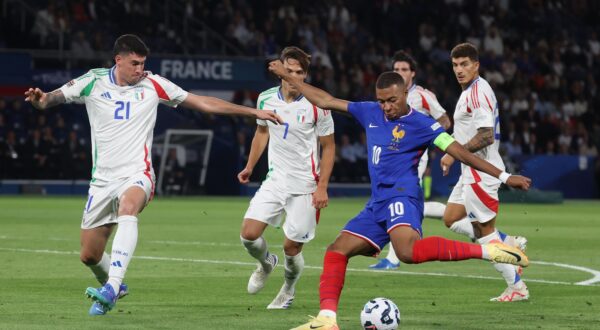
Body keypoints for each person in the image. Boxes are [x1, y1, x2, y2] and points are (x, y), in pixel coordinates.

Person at [24, 34, 281, 316]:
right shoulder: (93, 81)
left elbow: (202, 102)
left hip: (138, 173)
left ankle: (112, 286)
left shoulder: (153, 83)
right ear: (118, 60)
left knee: (128, 208)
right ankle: (115, 285)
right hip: (102, 181)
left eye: (143, 63)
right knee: (89, 255)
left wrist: (251, 112)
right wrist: (40, 100)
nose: (139, 69)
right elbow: (51, 99)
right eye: (134, 63)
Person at [268, 61, 531, 330]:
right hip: (377, 202)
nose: (386, 107)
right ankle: (327, 319)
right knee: (337, 251)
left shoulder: (423, 125)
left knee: (406, 251)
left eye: (392, 100)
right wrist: (288, 77)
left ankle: (488, 250)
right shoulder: (369, 112)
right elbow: (326, 100)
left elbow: (460, 153)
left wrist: (504, 176)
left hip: (403, 197)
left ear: (405, 94)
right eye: (382, 101)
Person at [238, 46, 335, 310]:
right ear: (281, 72)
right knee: (248, 235)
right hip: (275, 180)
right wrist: (249, 166)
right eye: (288, 71)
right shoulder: (266, 99)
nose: (293, 77)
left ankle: (288, 289)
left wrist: (322, 187)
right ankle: (265, 263)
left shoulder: (317, 105)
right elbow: (261, 132)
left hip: (305, 186)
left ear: (306, 75)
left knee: (292, 248)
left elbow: (328, 147)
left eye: (299, 72)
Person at [441, 43, 529, 302]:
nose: (459, 69)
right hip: (470, 169)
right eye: (455, 65)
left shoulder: (477, 93)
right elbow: (469, 130)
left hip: (482, 172)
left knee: (484, 233)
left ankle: (516, 287)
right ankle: (508, 242)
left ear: (476, 65)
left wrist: (456, 150)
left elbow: (486, 135)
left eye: (465, 64)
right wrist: (453, 152)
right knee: (451, 218)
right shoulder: (471, 91)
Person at [370, 50, 451, 270]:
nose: (400, 72)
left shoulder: (423, 95)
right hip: (393, 154)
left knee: (399, 197)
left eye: (404, 69)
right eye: (396, 69)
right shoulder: (389, 96)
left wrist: (427, 138)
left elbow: (444, 119)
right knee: (413, 205)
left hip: (414, 155)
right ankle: (466, 222)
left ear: (412, 73)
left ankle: (393, 258)